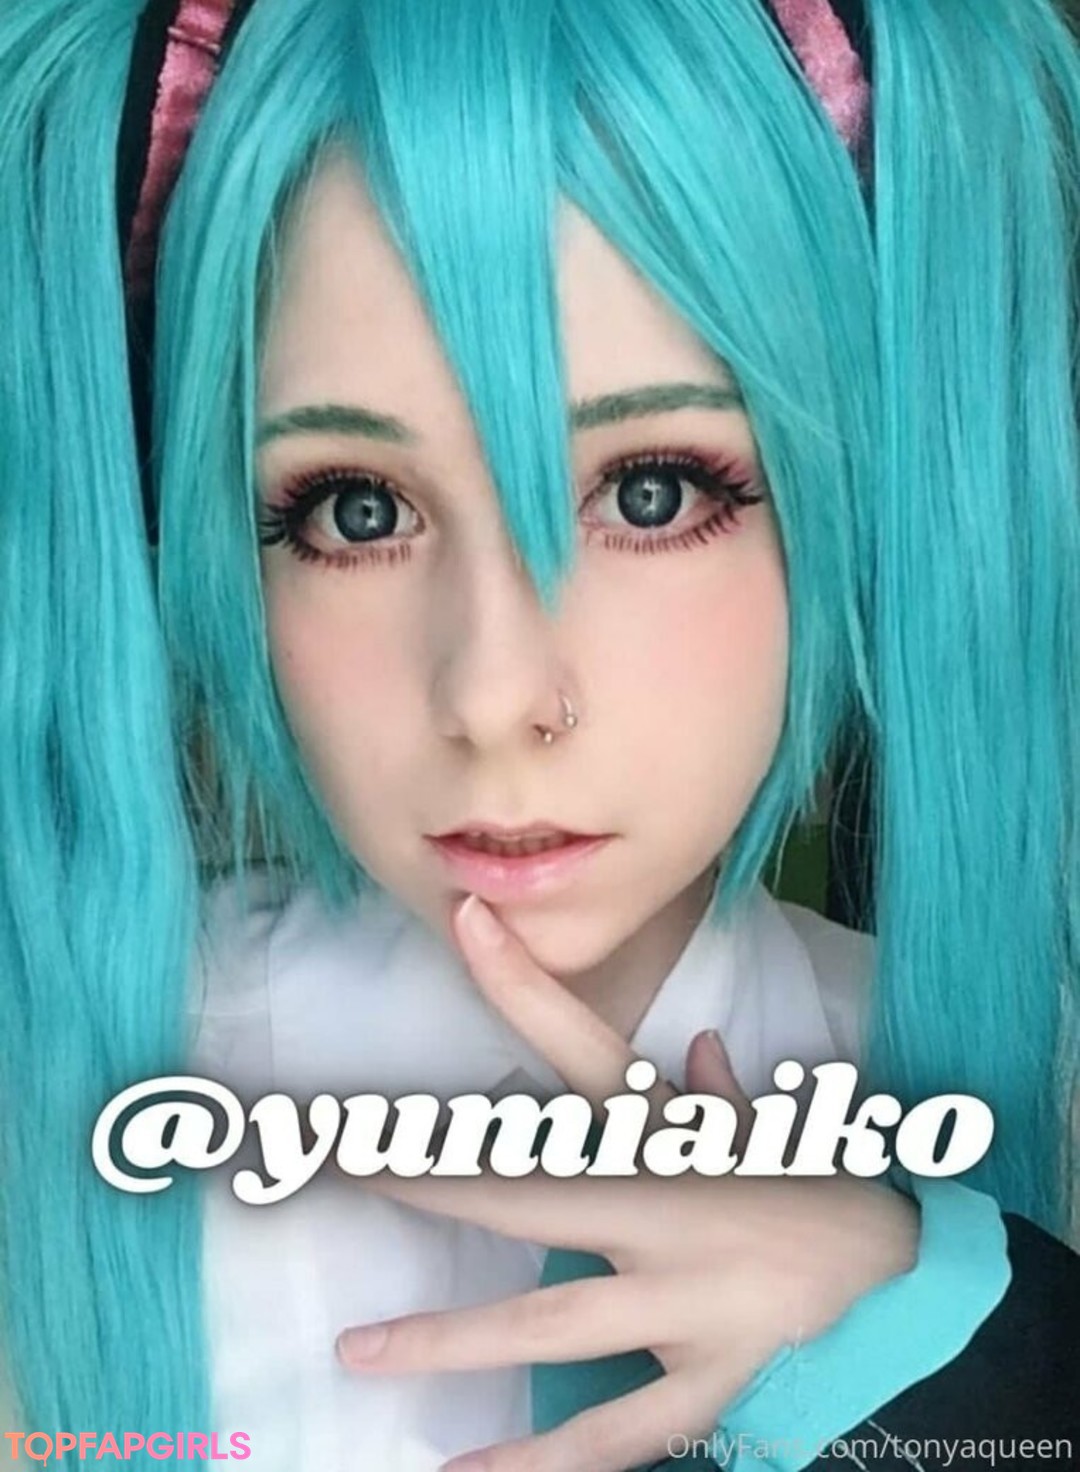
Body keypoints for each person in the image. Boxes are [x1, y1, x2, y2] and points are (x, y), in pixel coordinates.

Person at [0, 0, 1076, 1469]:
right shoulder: (56, 1135)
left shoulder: (1043, 1117)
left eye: (650, 492)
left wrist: (950, 1362)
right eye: (354, 511)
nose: (496, 693)